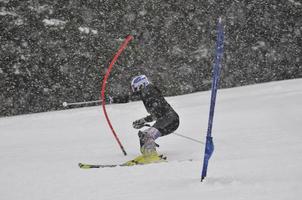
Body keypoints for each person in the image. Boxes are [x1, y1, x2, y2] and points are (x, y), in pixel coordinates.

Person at [130, 75, 179, 161]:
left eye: (135, 88)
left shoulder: (150, 92)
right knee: (144, 135)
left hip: (170, 119)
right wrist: (142, 121)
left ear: (141, 85)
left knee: (147, 135)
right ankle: (147, 154)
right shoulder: (146, 93)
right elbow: (157, 113)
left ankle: (151, 156)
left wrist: (143, 120)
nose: (134, 91)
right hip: (167, 119)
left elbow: (158, 112)